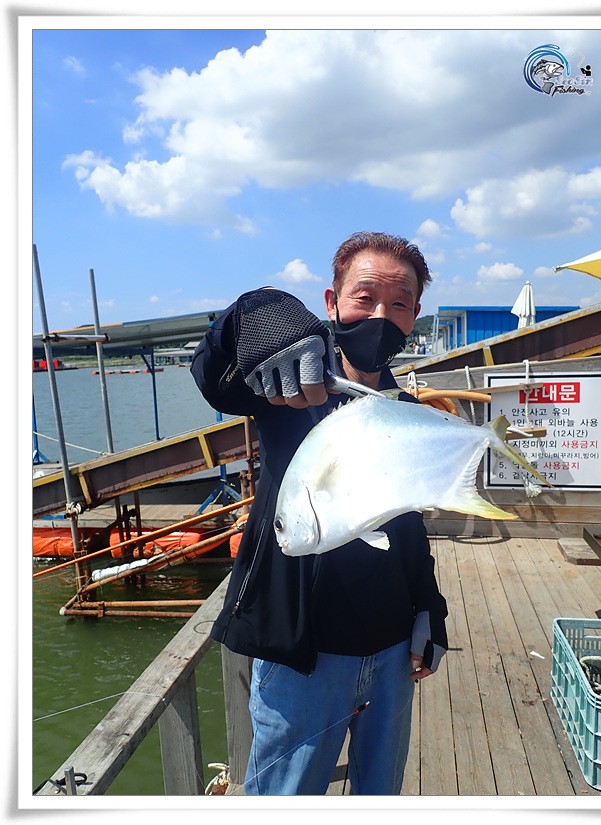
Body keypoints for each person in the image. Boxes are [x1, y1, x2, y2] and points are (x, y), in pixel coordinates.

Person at [190, 231, 448, 796]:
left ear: (413, 317)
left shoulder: (404, 411)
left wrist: (430, 607)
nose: (380, 316)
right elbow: (213, 374)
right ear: (331, 302)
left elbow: (405, 523)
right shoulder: (285, 390)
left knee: (379, 796)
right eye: (364, 297)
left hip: (391, 654)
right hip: (300, 660)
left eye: (399, 303)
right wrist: (260, 313)